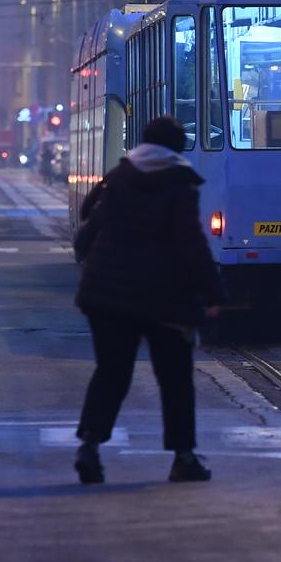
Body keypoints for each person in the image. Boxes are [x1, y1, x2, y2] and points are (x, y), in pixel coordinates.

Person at [72, 116, 223, 485]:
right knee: (175, 379)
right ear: (177, 147)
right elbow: (192, 244)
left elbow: (87, 232)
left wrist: (96, 266)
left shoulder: (120, 177)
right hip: (164, 297)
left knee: (111, 372)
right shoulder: (178, 182)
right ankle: (183, 458)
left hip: (106, 296)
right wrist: (214, 292)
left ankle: (89, 446)